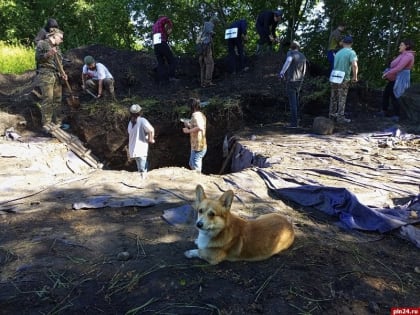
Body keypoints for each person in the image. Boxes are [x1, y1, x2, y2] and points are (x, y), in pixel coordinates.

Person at [34, 28, 67, 129]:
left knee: (57, 99)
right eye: (60, 38)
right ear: (54, 36)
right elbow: (38, 58)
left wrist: (63, 73)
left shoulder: (57, 48)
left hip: (56, 75)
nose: (61, 40)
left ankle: (58, 123)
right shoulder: (42, 44)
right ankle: (47, 124)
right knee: (48, 99)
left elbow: (59, 62)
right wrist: (48, 54)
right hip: (46, 74)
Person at [380, 39, 415, 121]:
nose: (400, 46)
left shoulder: (409, 56)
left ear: (407, 46)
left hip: (400, 78)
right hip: (394, 77)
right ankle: (384, 111)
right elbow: (394, 66)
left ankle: (397, 116)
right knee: (386, 93)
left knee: (395, 95)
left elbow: (399, 68)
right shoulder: (402, 54)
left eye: (401, 45)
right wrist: (388, 71)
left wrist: (387, 74)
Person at [329, 35, 358, 123]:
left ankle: (332, 116)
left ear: (343, 43)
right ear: (351, 43)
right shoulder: (351, 52)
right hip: (343, 78)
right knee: (342, 98)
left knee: (333, 97)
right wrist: (355, 76)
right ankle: (340, 117)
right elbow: (354, 65)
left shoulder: (338, 53)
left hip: (334, 77)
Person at [278, 41, 307, 128]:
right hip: (299, 81)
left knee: (292, 103)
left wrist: (282, 73)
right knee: (296, 101)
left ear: (291, 47)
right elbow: (305, 69)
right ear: (298, 47)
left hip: (292, 81)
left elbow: (288, 61)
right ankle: (298, 120)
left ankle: (294, 123)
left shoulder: (290, 53)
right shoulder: (302, 56)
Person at [127, 104, 155, 179]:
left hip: (135, 149)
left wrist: (149, 138)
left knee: (141, 169)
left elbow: (149, 131)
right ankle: (144, 182)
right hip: (140, 149)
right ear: (139, 112)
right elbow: (151, 130)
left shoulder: (131, 122)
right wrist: (151, 139)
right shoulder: (141, 120)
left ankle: (144, 182)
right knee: (142, 170)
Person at [182, 98, 207, 172]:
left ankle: (199, 180)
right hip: (196, 144)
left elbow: (200, 127)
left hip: (199, 145)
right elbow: (197, 127)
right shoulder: (200, 114)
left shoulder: (195, 115)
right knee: (191, 163)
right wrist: (188, 125)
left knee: (195, 166)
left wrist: (188, 131)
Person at [152, 16, 177, 84]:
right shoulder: (161, 21)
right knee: (172, 60)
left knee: (161, 63)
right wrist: (170, 27)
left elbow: (162, 37)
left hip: (156, 45)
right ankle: (171, 77)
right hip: (161, 43)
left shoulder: (154, 26)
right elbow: (166, 19)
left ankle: (161, 80)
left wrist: (166, 36)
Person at [198, 16, 218, 87]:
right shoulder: (209, 24)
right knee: (210, 64)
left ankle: (202, 83)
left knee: (203, 65)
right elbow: (210, 32)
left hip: (201, 48)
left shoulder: (202, 30)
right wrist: (213, 33)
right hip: (206, 48)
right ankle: (207, 82)